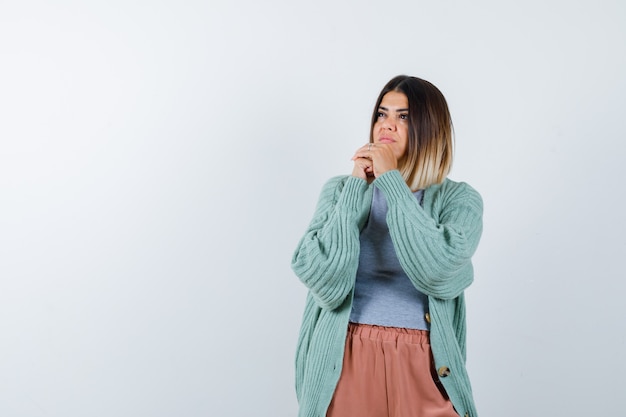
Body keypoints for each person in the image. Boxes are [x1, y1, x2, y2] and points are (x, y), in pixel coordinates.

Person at [291, 75, 483, 417]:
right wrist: (353, 187)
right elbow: (322, 280)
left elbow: (438, 270)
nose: (387, 125)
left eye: (403, 116)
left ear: (430, 128)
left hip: (424, 363)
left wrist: (393, 185)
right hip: (347, 356)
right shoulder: (340, 190)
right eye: (382, 114)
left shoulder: (459, 200)